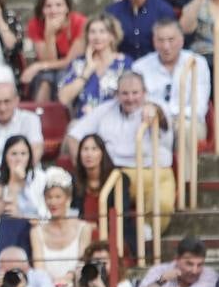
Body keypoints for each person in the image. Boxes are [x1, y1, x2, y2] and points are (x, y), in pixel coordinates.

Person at [64, 73, 174, 229]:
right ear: (117, 94)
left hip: (154, 173)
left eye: (135, 93)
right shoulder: (106, 109)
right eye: (125, 93)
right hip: (114, 174)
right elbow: (74, 136)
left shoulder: (156, 106)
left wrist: (153, 110)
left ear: (145, 92)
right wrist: (82, 167)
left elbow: (161, 118)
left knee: (161, 205)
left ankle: (147, 241)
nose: (130, 98)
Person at [133, 18, 210, 127]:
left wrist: (164, 112)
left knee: (185, 127)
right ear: (154, 42)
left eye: (171, 40)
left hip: (187, 122)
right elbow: (137, 106)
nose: (166, 46)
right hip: (153, 124)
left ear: (181, 40)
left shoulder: (197, 63)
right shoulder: (140, 67)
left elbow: (198, 109)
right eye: (160, 40)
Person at [30, 168, 93, 287]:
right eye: (49, 197)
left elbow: (82, 262)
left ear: (68, 198)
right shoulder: (36, 232)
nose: (53, 202)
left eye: (58, 197)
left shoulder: (84, 228)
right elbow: (39, 269)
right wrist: (52, 284)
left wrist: (67, 279)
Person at [57, 15, 131, 120]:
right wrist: (88, 70)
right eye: (92, 32)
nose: (97, 37)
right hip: (83, 124)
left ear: (112, 36)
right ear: (87, 36)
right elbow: (63, 99)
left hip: (115, 123)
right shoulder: (79, 63)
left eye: (102, 31)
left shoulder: (124, 63)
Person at [22, 0, 85, 103]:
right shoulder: (35, 24)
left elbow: (70, 62)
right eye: (48, 6)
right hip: (50, 67)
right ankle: (41, 114)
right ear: (42, 10)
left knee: (61, 76)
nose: (53, 10)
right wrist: (49, 34)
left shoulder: (79, 22)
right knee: (45, 79)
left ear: (67, 8)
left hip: (75, 65)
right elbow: (49, 60)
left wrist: (37, 66)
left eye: (59, 5)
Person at [138, 235, 217, 287]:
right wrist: (160, 282)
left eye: (199, 265)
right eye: (189, 264)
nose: (194, 271)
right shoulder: (159, 271)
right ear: (177, 259)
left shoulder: (209, 275)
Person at [0, 134, 47, 221]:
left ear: (29, 156)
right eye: (14, 154)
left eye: (23, 154)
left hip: (35, 225)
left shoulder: (40, 177)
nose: (19, 159)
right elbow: (3, 211)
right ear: (5, 157)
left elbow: (42, 211)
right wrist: (13, 180)